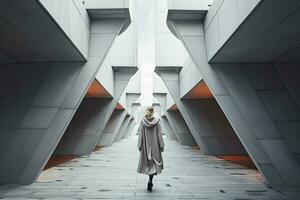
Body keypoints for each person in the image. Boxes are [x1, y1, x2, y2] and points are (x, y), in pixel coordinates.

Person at [137, 106, 165, 192]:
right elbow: (159, 134)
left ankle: (149, 180)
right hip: (155, 145)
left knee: (148, 163)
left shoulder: (142, 121)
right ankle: (150, 180)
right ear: (153, 112)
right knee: (154, 163)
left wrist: (140, 145)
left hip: (146, 145)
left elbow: (141, 134)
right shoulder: (157, 121)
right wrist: (161, 145)